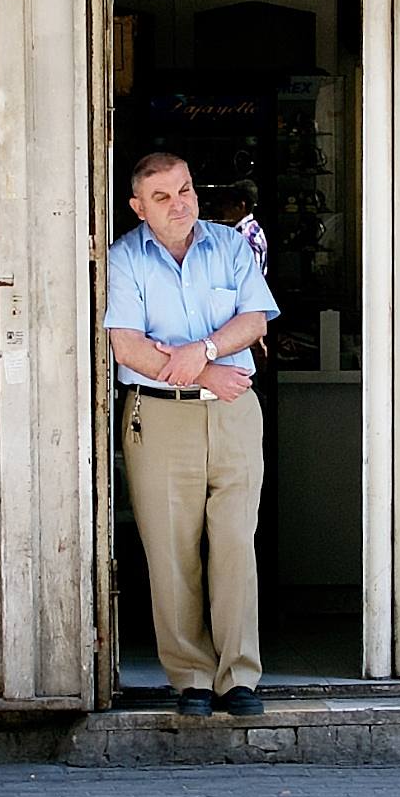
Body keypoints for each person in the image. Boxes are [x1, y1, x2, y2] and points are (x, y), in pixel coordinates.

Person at [105, 152, 279, 717]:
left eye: (184, 189)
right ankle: (192, 679)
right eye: (162, 197)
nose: (179, 203)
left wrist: (199, 349)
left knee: (234, 544)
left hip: (233, 413)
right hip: (158, 417)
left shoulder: (230, 246)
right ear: (138, 207)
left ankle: (240, 678)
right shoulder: (124, 258)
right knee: (172, 551)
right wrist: (206, 368)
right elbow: (128, 346)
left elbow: (254, 321)